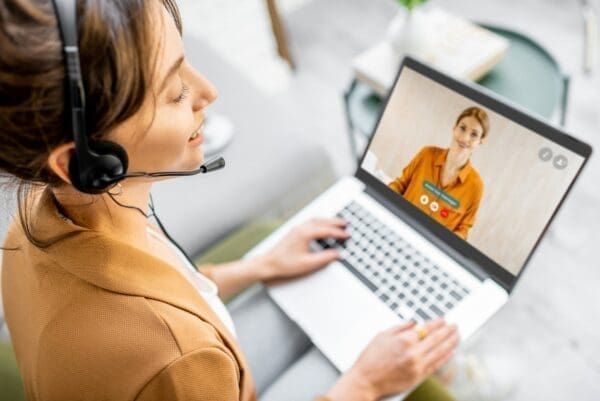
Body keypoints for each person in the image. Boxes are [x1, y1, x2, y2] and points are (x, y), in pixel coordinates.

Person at [0, 1, 459, 400]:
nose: (207, 91)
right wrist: (363, 386)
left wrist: (259, 266)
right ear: (87, 160)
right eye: (174, 91)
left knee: (322, 306)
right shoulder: (177, 359)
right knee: (364, 350)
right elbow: (173, 351)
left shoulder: (32, 222)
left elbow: (168, 283)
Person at [388, 107, 489, 240]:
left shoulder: (476, 186)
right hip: (397, 226)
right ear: (454, 128)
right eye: (462, 128)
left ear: (480, 142)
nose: (465, 138)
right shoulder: (426, 154)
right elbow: (399, 185)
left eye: (474, 134)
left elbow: (463, 230)